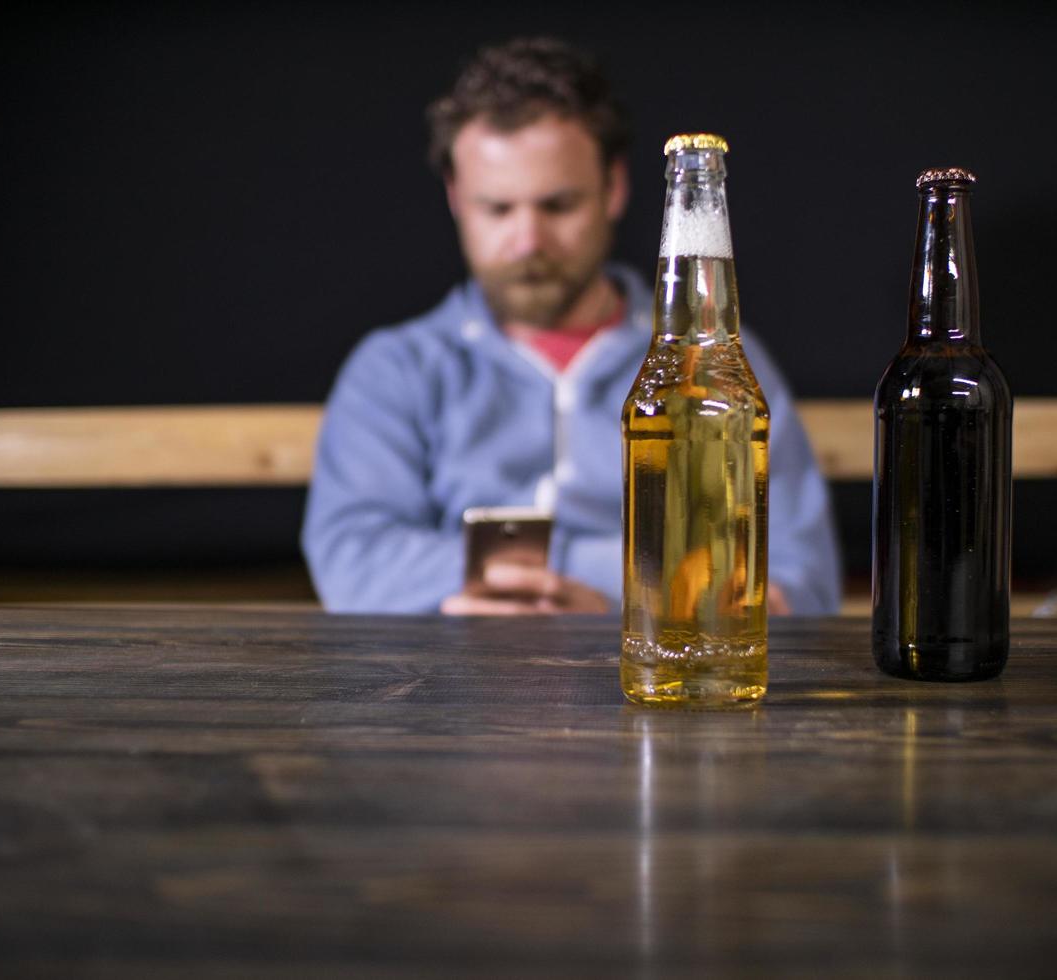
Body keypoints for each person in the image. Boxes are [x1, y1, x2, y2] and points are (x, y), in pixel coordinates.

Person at [302, 37, 841, 616]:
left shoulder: (715, 364)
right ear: (456, 197)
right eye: (498, 209)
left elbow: (800, 578)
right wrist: (646, 580)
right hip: (448, 683)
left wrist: (600, 604)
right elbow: (352, 558)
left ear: (615, 188)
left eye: (557, 206)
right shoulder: (395, 368)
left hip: (653, 676)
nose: (528, 241)